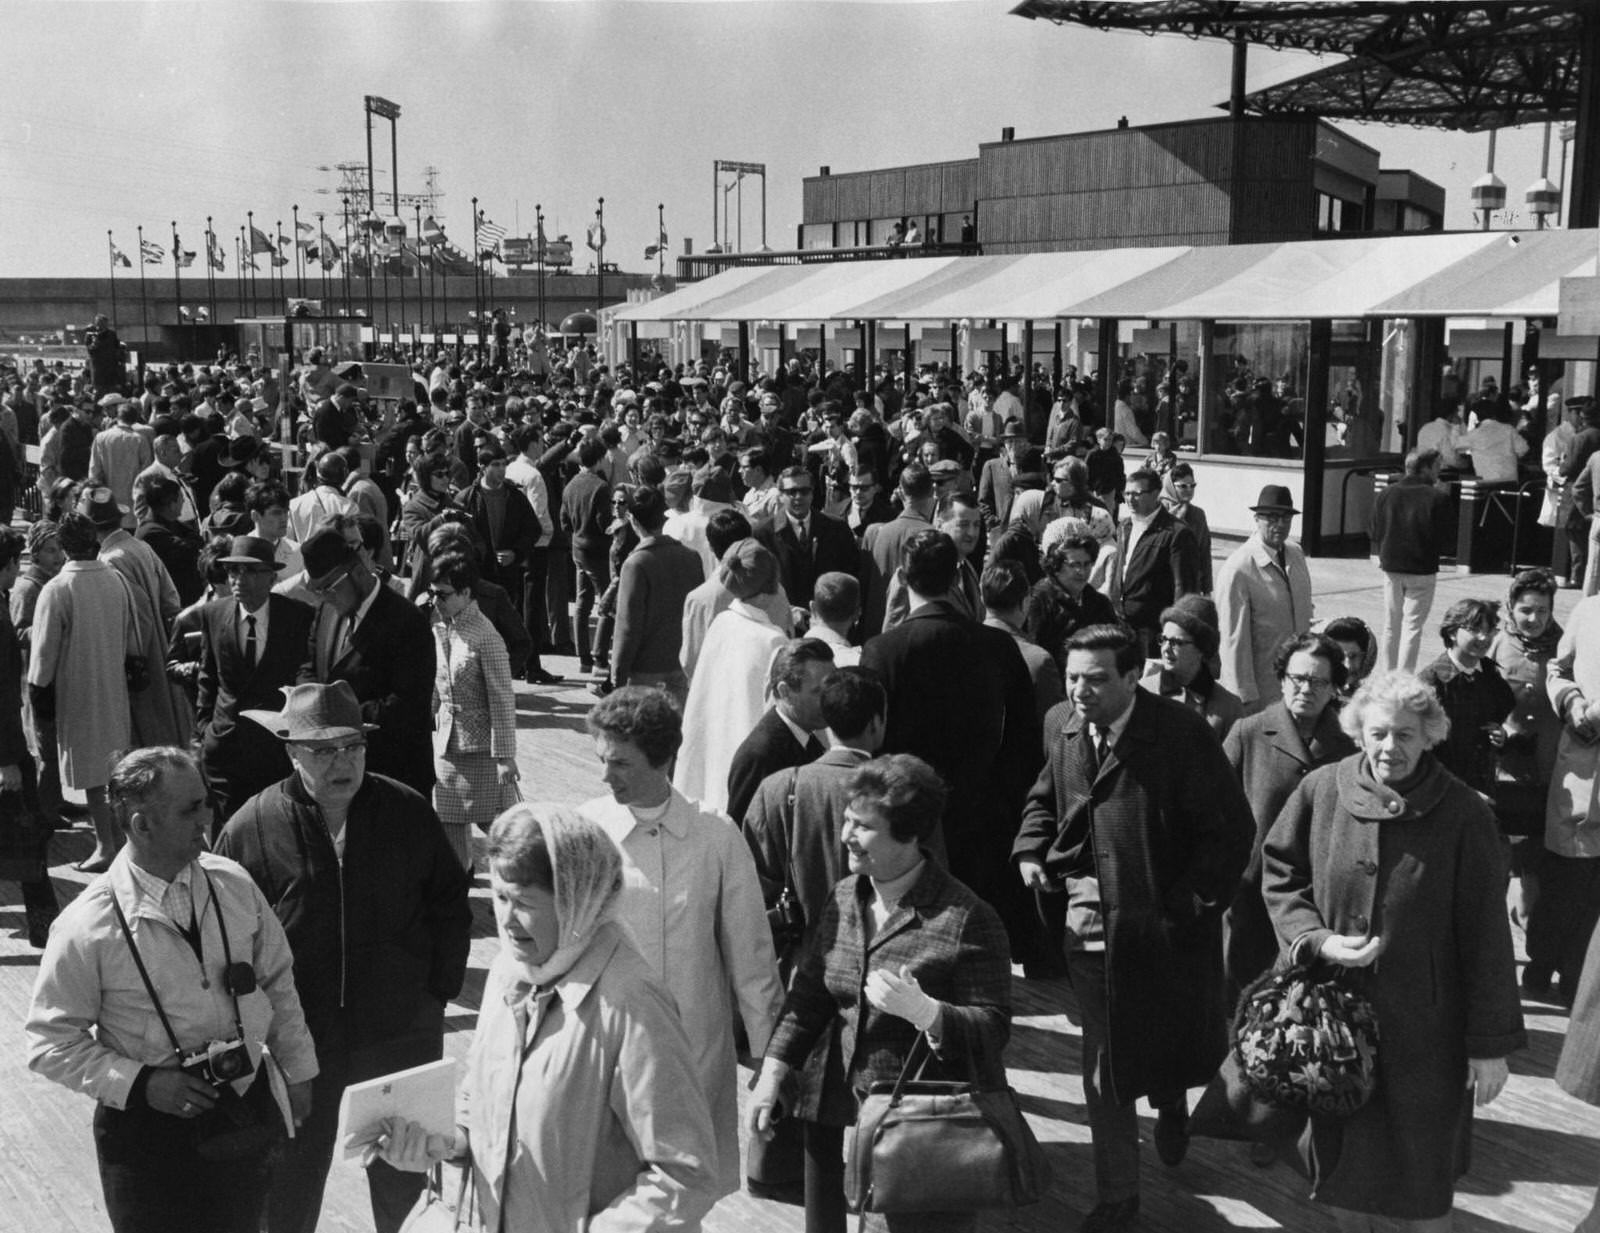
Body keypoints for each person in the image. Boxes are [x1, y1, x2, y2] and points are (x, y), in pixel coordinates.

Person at [371, 804, 721, 1231]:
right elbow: (480, 1095)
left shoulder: (632, 1003)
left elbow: (685, 1174)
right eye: (500, 897)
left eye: (525, 903)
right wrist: (447, 1142)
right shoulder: (508, 973)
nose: (506, 919)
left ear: (577, 900)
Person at [1262, 670, 1525, 1232]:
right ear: (1357, 731)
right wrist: (1317, 939)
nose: (1389, 748)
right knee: (1342, 1181)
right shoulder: (1323, 789)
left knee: (1422, 1190)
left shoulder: (1463, 812)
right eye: (1379, 733)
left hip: (1427, 1036)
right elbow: (1281, 873)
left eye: (1406, 735)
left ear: (1431, 736)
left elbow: (1487, 937)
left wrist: (1489, 1046)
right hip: (1333, 1028)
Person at [1015, 623, 1253, 1233]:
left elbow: (1229, 830)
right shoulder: (1060, 725)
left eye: (1096, 679)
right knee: (1104, 1059)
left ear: (1131, 676)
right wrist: (1032, 851)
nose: (1080, 691)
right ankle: (1119, 1193)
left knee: (1160, 1038)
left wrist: (1190, 901)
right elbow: (1046, 797)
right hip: (1086, 924)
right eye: (1072, 678)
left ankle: (1171, 1096)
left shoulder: (1179, 735)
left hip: (1163, 928)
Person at [26, 747, 318, 1233]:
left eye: (205, 802)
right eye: (191, 809)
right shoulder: (86, 925)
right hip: (146, 1141)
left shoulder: (233, 884)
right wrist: (142, 1083)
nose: (209, 817)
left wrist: (299, 1071)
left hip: (241, 1116)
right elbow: (49, 1042)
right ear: (142, 826)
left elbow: (277, 980)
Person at [215, 681, 471, 1233]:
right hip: (300, 1045)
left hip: (399, 1036)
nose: (343, 763)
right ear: (291, 752)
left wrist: (436, 993)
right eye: (324, 750)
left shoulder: (406, 811)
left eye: (353, 746)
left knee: (407, 1182)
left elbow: (450, 905)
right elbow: (223, 936)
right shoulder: (253, 826)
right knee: (288, 1185)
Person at [749, 754, 1013, 1233]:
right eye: (848, 820)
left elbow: (993, 1026)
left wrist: (931, 1015)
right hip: (833, 1115)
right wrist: (772, 1074)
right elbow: (810, 995)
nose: (847, 835)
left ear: (910, 836)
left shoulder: (966, 918)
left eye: (864, 827)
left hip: (915, 1132)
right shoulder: (846, 895)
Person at [580, 687, 783, 1198]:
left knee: (683, 1196)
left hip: (694, 1055)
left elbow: (752, 955)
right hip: (607, 1053)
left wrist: (768, 1056)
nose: (606, 777)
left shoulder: (716, 836)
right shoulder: (586, 832)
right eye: (602, 761)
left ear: (664, 758)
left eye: (621, 763)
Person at [863, 529, 1041, 961]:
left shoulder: (882, 652)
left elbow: (870, 746)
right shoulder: (997, 646)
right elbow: (1025, 742)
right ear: (960, 577)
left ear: (902, 578)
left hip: (906, 818)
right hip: (984, 812)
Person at [1221, 632, 1355, 992]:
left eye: (1318, 681)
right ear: (1281, 679)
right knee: (1243, 993)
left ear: (1333, 688)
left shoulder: (1350, 744)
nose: (1305, 689)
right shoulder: (1248, 732)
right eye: (1297, 678)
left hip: (1319, 894)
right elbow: (1213, 805)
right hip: (1251, 894)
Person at [28, 512, 141, 872]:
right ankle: (121, 842)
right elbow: (133, 636)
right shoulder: (116, 580)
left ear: (64, 546)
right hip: (114, 684)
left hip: (75, 691)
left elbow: (43, 656)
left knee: (92, 775)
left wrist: (38, 698)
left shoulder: (57, 589)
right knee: (113, 768)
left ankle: (105, 846)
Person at [300, 527, 436, 796]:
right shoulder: (328, 609)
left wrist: (333, 716)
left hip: (392, 777)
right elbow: (310, 666)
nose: (324, 597)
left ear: (359, 573)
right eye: (318, 591)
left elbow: (407, 704)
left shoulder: (407, 622)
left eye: (329, 587)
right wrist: (303, 699)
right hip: (336, 776)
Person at [194, 536, 317, 825]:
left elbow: (305, 673)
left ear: (271, 577)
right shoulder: (213, 614)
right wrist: (204, 730)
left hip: (274, 751)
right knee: (226, 837)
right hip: (226, 748)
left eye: (250, 571)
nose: (239, 579)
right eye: (234, 571)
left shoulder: (297, 616)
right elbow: (207, 676)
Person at [675, 538, 789, 812]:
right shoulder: (774, 641)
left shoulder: (722, 622)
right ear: (773, 584)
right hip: (747, 764)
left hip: (709, 754)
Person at [426, 548, 518, 869]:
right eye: (432, 592)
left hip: (483, 754)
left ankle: (519, 885)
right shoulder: (440, 628)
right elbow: (437, 687)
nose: (436, 601)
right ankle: (456, 898)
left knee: (503, 833)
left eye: (443, 594)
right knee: (448, 828)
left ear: (466, 592)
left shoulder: (486, 636)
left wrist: (506, 757)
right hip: (446, 753)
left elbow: (502, 699)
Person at [0, 527, 56, 944]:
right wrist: (7, 759)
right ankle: (44, 924)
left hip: (9, 742)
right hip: (6, 747)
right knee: (29, 836)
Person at [1214, 484, 1314, 713]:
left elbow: (1306, 610)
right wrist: (1243, 695)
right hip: (1262, 692)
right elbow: (1233, 641)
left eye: (1286, 518)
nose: (1280, 524)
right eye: (1272, 517)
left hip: (1299, 684)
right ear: (1257, 519)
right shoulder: (1238, 569)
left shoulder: (1295, 554)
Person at [610, 483, 704, 702]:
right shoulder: (691, 557)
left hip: (645, 670)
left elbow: (628, 627)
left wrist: (617, 675)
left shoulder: (636, 563)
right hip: (681, 663)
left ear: (633, 520)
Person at [726, 638, 834, 826]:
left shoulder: (807, 739)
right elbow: (741, 835)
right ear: (785, 692)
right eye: (817, 692)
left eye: (832, 688)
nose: (830, 698)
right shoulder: (760, 756)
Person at [1417, 598, 1515, 801]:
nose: (1483, 637)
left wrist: (1501, 734)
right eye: (1474, 629)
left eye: (1490, 630)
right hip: (1443, 791)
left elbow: (1504, 708)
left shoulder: (1489, 674)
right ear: (1452, 632)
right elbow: (1422, 752)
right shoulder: (1431, 683)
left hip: (1484, 785)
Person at [1370, 448, 1451, 672]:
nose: (1439, 471)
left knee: (1391, 625)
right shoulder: (1438, 497)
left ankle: (1388, 675)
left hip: (1391, 566)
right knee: (1412, 626)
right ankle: (1404, 677)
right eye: (1436, 466)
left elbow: (1374, 532)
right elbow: (1446, 539)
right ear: (1425, 468)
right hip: (1422, 568)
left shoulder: (1386, 493)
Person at [1112, 467, 1200, 655]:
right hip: (1123, 623)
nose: (1130, 499)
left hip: (1154, 629)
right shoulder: (1125, 526)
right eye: (1126, 493)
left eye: (1137, 493)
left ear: (1155, 494)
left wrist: (1176, 630)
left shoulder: (1176, 533)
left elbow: (1183, 588)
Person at [1140, 596, 1245, 742]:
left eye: (1176, 642)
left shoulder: (1228, 707)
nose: (1166, 649)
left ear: (1201, 649)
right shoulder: (1143, 693)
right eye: (1163, 639)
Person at [759, 464, 860, 611]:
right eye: (792, 492)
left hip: (829, 618)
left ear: (812, 493)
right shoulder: (763, 534)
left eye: (804, 491)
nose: (798, 497)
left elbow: (850, 574)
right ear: (780, 495)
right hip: (784, 621)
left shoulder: (837, 528)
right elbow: (759, 586)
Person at [983, 558, 1066, 722]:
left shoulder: (959, 648)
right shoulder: (1038, 660)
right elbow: (1055, 726)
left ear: (982, 598)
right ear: (1025, 602)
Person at [860, 463, 937, 637]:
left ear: (901, 490)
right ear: (932, 491)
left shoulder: (876, 533)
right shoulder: (933, 536)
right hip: (914, 635)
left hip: (875, 633)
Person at [561, 437, 613, 678]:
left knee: (583, 602)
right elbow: (605, 523)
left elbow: (564, 521)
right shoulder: (601, 487)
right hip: (598, 551)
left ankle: (583, 656)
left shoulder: (570, 485)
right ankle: (599, 655)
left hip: (577, 547)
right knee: (606, 602)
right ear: (600, 458)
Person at [1161, 463, 1213, 593]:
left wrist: (1207, 590)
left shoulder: (1198, 514)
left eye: (1192, 485)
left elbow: (1204, 553)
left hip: (1191, 583)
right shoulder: (1159, 511)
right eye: (1183, 486)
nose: (1189, 490)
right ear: (1171, 486)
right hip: (1163, 584)